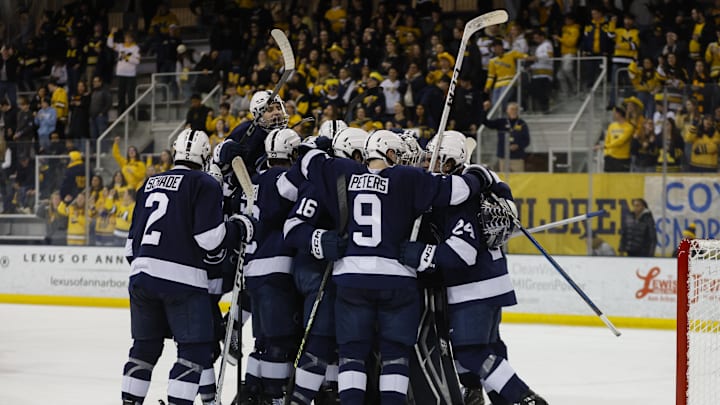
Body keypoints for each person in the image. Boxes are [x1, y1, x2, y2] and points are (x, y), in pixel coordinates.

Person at [293, 130, 494, 405]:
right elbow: (459, 191)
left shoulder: (343, 171)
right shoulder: (408, 178)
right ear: (390, 154)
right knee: (395, 355)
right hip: (398, 281)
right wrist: (481, 177)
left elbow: (305, 159)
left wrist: (321, 144)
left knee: (352, 354)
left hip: (351, 278)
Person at [400, 133, 548, 405]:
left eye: (438, 161)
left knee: (471, 353)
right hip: (492, 283)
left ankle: (524, 398)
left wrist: (420, 254)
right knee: (491, 351)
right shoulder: (483, 186)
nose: (430, 166)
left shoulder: (461, 198)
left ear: (452, 163)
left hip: (473, 288)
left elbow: (461, 253)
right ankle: (496, 398)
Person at [121, 128, 255, 405]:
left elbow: (130, 249)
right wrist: (239, 228)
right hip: (183, 281)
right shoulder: (204, 183)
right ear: (204, 157)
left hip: (141, 277)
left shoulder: (148, 183)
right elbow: (209, 240)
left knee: (144, 349)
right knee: (194, 352)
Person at [282, 127, 369, 405]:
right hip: (319, 272)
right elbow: (293, 227)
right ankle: (302, 398)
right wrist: (320, 239)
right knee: (321, 339)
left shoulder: (367, 183)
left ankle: (330, 392)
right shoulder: (320, 184)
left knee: (346, 344)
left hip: (349, 277)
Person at [236, 128, 302, 404]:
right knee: (279, 342)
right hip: (277, 270)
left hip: (253, 271)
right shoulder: (284, 179)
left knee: (262, 341)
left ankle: (252, 392)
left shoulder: (251, 181)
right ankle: (274, 397)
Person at [217, 90, 290, 177]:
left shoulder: (290, 134)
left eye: (279, 108)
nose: (277, 112)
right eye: (269, 110)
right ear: (257, 114)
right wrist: (220, 153)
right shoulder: (244, 131)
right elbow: (217, 163)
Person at [481, 101, 530, 172]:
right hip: (504, 157)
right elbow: (486, 122)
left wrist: (518, 146)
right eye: (511, 109)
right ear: (507, 111)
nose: (513, 111)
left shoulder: (522, 123)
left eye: (515, 109)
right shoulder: (501, 122)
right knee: (504, 179)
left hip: (517, 158)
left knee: (519, 180)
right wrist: (485, 110)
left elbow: (527, 140)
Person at [107, 27, 140, 113]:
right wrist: (111, 34)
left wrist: (128, 58)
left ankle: (131, 112)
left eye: (129, 38)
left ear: (132, 39)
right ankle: (120, 112)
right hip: (121, 73)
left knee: (130, 95)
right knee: (120, 94)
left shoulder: (135, 48)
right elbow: (110, 44)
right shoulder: (121, 46)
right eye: (126, 38)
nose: (127, 40)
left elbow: (137, 61)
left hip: (130, 74)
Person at [600, 105, 633, 172]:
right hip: (610, 158)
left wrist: (605, 146)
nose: (613, 115)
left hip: (622, 158)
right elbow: (607, 139)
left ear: (619, 114)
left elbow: (620, 141)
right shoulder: (612, 126)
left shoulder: (629, 127)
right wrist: (607, 153)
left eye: (615, 113)